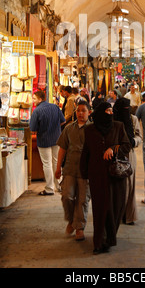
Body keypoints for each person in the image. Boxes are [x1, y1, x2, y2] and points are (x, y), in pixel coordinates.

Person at [80, 102, 131, 254]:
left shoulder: (118, 126)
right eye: (106, 111)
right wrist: (83, 173)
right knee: (100, 209)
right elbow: (86, 152)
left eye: (111, 110)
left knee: (115, 207)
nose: (109, 113)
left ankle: (109, 237)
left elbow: (127, 146)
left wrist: (113, 149)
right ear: (100, 112)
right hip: (97, 175)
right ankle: (99, 242)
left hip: (116, 176)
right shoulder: (90, 130)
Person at [55, 100, 91, 241]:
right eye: (78, 110)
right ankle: (71, 220)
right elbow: (62, 149)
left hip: (86, 171)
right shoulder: (69, 129)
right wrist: (58, 167)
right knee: (67, 196)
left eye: (83, 111)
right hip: (69, 168)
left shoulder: (92, 129)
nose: (80, 113)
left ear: (89, 112)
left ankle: (79, 227)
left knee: (83, 199)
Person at [30, 90, 66, 195]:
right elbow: (63, 121)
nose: (33, 100)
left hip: (44, 140)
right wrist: (55, 128)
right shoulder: (55, 107)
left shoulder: (37, 111)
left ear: (40, 99)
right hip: (57, 139)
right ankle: (59, 186)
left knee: (47, 164)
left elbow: (33, 128)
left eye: (34, 98)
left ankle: (49, 188)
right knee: (56, 162)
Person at [113, 97, 142, 225]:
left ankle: (129, 215)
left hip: (129, 154)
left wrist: (133, 141)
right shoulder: (112, 120)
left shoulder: (133, 119)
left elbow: (139, 136)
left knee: (130, 186)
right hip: (115, 155)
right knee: (117, 186)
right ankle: (117, 215)